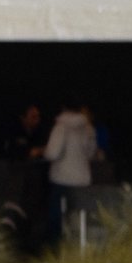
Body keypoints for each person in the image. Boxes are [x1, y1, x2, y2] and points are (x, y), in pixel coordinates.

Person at [40, 98, 99, 250]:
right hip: (82, 180)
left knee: (57, 220)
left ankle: (54, 253)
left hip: (62, 179)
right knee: (78, 219)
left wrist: (44, 152)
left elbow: (52, 153)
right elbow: (91, 153)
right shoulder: (88, 128)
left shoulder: (61, 126)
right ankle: (76, 251)